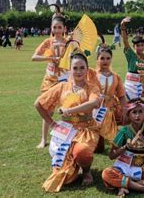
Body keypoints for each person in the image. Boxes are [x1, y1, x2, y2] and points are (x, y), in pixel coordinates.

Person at [34, 51, 101, 192]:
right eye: (75, 68)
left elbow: (94, 103)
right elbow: (38, 104)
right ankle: (73, 167)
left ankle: (87, 171)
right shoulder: (62, 87)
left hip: (86, 129)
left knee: (82, 152)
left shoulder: (92, 87)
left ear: (87, 69)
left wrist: (70, 110)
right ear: (70, 70)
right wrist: (52, 123)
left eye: (82, 68)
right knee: (67, 178)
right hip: (65, 131)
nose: (78, 71)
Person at [102, 98, 144, 196]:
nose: (137, 115)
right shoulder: (124, 131)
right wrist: (125, 147)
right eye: (134, 112)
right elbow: (111, 155)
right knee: (107, 173)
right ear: (128, 115)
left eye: (140, 112)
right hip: (124, 167)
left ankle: (126, 186)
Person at [32, 5, 69, 148]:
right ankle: (43, 139)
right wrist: (50, 58)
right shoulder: (48, 42)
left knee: (68, 108)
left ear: (64, 29)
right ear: (51, 28)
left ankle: (67, 136)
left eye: (60, 27)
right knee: (48, 110)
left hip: (65, 79)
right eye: (55, 27)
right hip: (51, 79)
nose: (57, 30)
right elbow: (34, 57)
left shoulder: (69, 42)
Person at [94, 43, 127, 153]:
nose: (105, 61)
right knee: (98, 148)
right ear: (97, 59)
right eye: (102, 58)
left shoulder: (116, 77)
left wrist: (124, 109)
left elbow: (122, 95)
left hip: (110, 110)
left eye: (108, 58)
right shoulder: (92, 75)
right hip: (95, 110)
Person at [120, 17, 144, 101]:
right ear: (134, 46)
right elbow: (125, 41)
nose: (140, 47)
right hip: (130, 84)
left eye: (142, 45)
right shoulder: (131, 55)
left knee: (137, 104)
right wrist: (122, 26)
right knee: (129, 104)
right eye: (137, 45)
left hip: (140, 84)